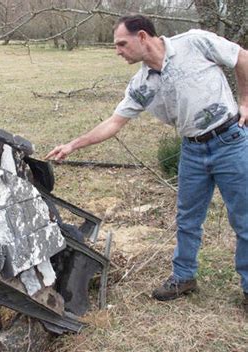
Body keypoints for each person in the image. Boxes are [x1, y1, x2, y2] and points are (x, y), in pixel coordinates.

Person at [45, 14, 248, 311]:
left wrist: (245, 101)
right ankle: (184, 277)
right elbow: (114, 122)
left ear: (142, 37)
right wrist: (73, 145)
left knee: (243, 219)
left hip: (229, 140)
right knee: (187, 218)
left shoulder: (195, 42)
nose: (118, 51)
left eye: (121, 44)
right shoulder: (141, 84)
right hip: (192, 150)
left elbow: (241, 56)